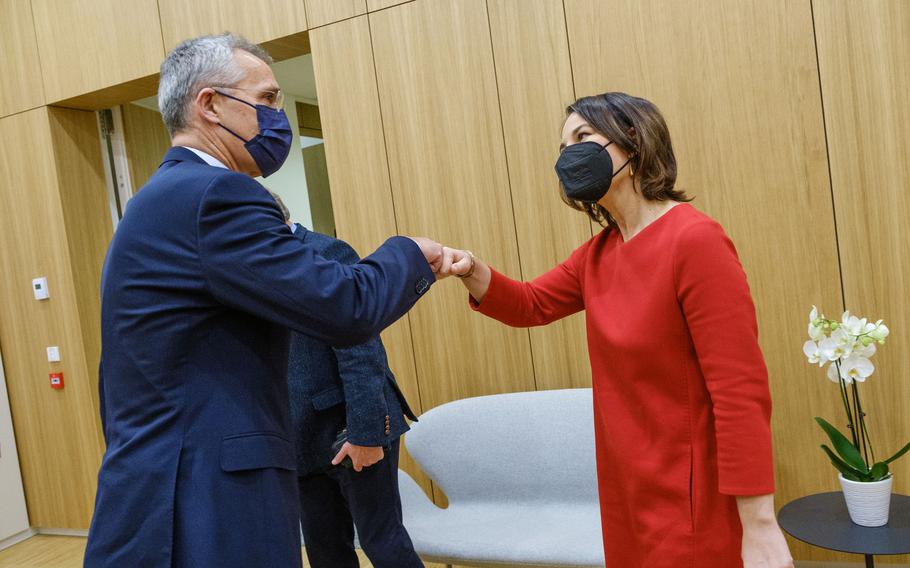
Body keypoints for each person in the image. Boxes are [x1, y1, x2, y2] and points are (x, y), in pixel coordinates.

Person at [84, 33, 452, 567]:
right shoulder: (216, 196)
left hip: (168, 485)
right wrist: (410, 253)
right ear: (210, 104)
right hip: (205, 499)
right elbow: (344, 308)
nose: (280, 117)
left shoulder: (161, 199)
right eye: (268, 100)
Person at [441, 93, 793, 568]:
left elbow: (739, 390)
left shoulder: (694, 240)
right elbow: (530, 303)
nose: (569, 154)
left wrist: (759, 524)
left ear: (633, 139)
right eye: (562, 146)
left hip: (689, 492)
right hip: (626, 487)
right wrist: (470, 267)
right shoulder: (599, 254)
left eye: (582, 137)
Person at [267, 192, 424, 568]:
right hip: (299, 439)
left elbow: (361, 353)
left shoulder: (328, 254)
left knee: (382, 542)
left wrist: (365, 434)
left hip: (352, 427)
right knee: (325, 553)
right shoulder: (257, 271)